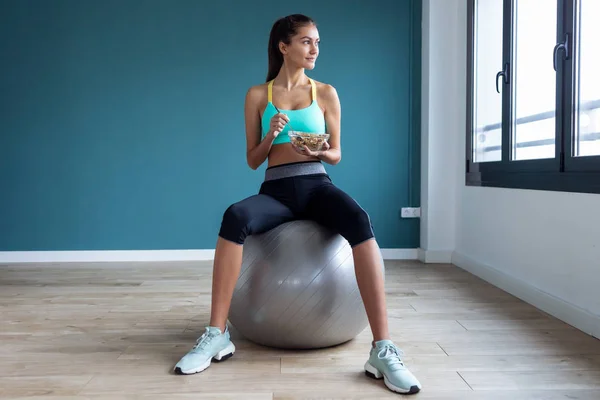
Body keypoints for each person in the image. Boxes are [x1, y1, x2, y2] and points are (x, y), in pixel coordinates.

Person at [173, 13, 422, 395]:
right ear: (283, 46)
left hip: (316, 185)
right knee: (235, 216)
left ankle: (382, 350)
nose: (314, 49)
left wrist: (319, 147)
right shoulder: (259, 95)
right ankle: (216, 334)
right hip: (276, 192)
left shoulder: (325, 92)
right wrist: (272, 135)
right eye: (307, 41)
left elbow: (337, 153)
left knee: (359, 218)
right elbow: (253, 160)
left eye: (317, 42)